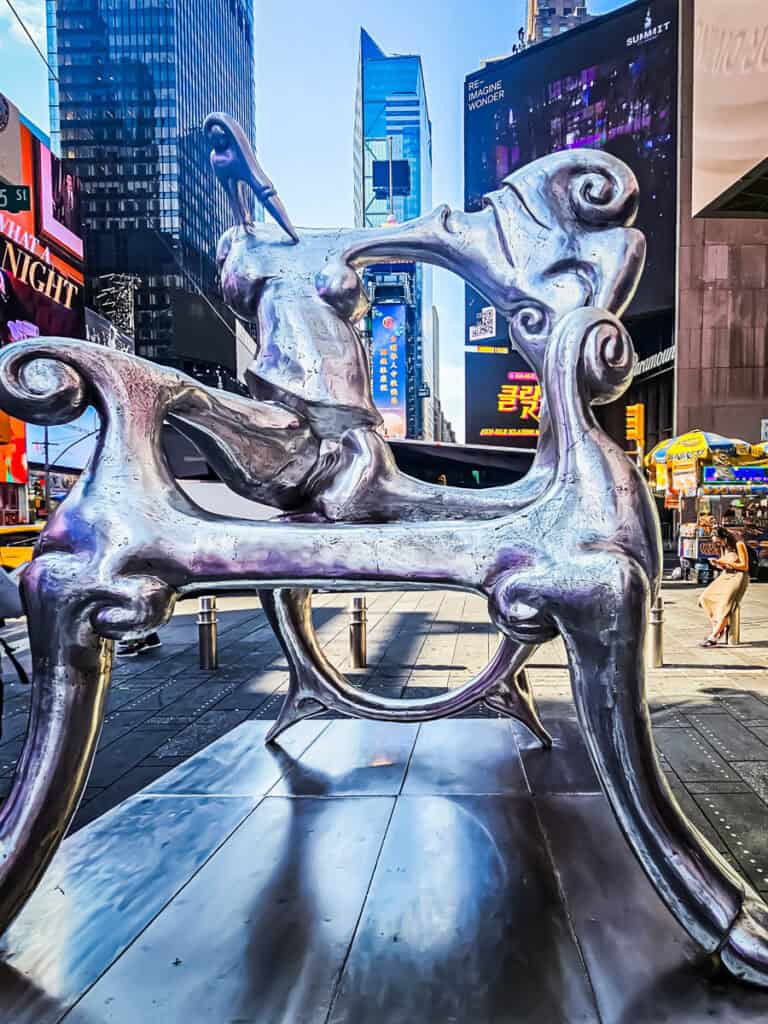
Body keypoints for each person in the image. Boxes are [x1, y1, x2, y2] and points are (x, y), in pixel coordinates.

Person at [698, 526, 749, 646]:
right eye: (715, 542)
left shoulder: (739, 544)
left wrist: (724, 562)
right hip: (725, 575)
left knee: (726, 604)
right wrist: (717, 564)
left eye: (718, 541)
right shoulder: (723, 548)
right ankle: (718, 626)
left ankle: (714, 636)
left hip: (738, 577)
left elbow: (745, 566)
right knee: (705, 597)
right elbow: (724, 565)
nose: (717, 543)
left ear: (724, 537)